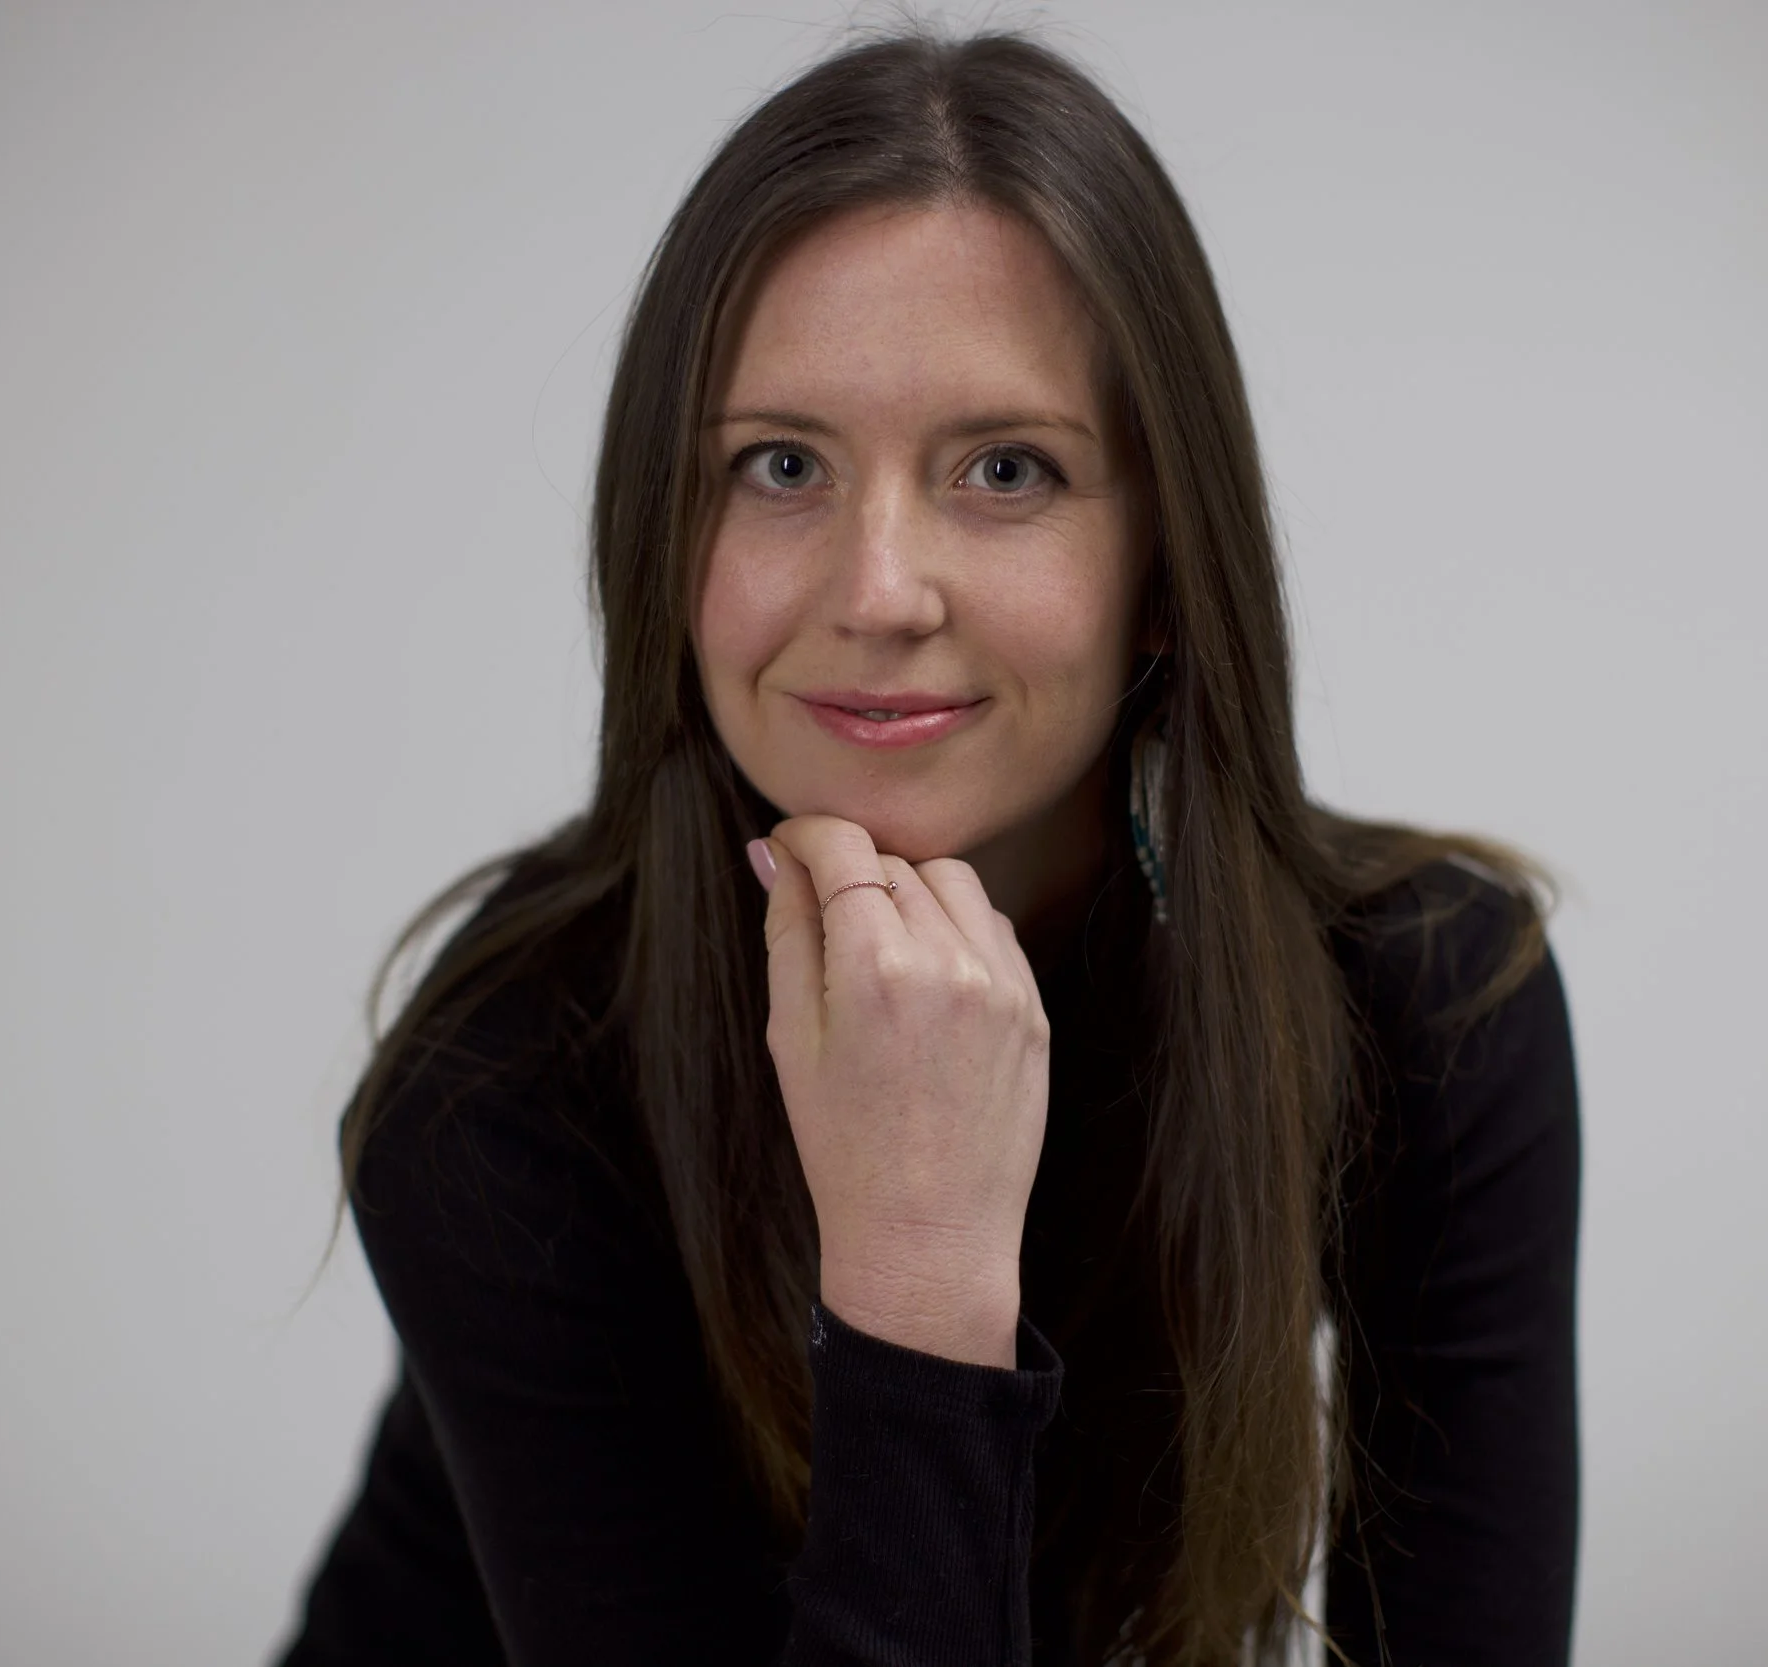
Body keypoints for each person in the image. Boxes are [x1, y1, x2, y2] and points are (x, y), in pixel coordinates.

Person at [273, 26, 1579, 1667]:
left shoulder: (1437, 1008)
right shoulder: (508, 1081)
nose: (879, 589)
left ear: (1167, 562)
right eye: (780, 465)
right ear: (664, 545)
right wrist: (916, 1270)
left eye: (1006, 468)